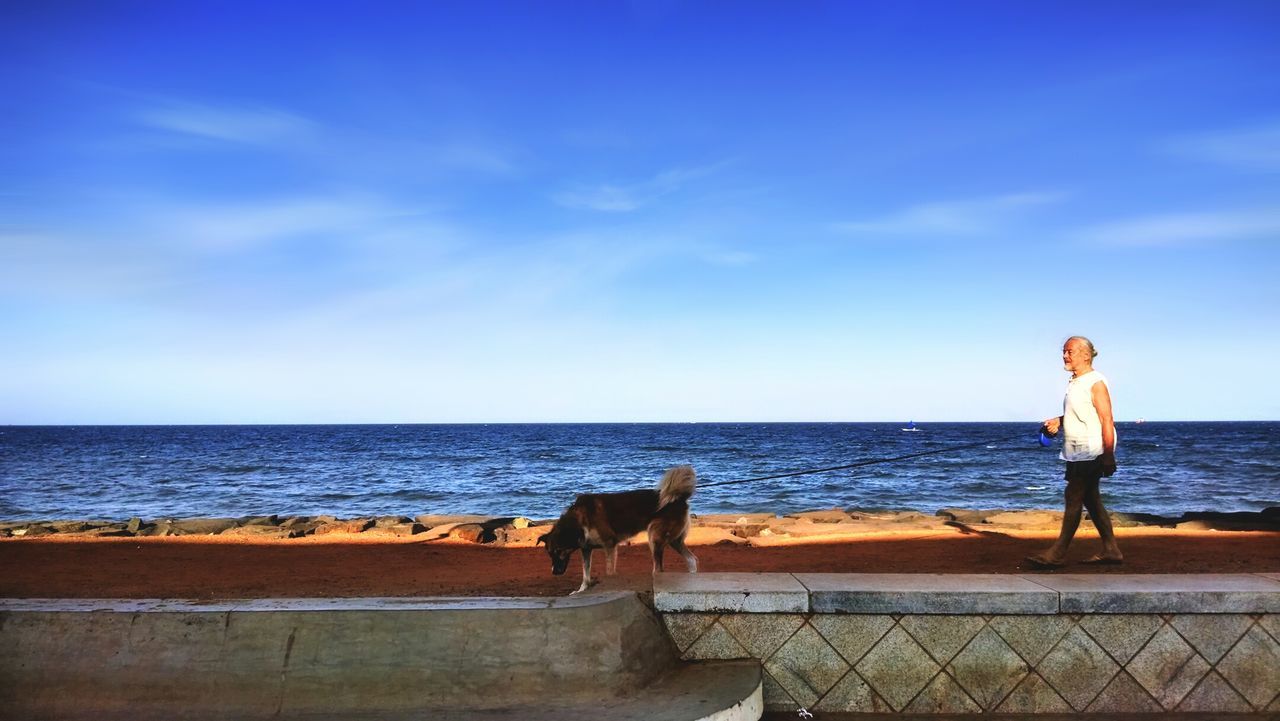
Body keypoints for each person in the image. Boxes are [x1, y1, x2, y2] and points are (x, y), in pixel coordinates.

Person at [1026, 336, 1123, 568]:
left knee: (1073, 495)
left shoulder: (1095, 382)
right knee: (1091, 498)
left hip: (1092, 448)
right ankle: (1111, 550)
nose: (1065, 356)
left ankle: (1057, 553)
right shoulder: (1076, 382)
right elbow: (1082, 412)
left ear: (1086, 355)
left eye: (1070, 351)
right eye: (1064, 351)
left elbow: (1106, 418)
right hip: (1077, 448)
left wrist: (1108, 454)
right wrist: (1059, 421)